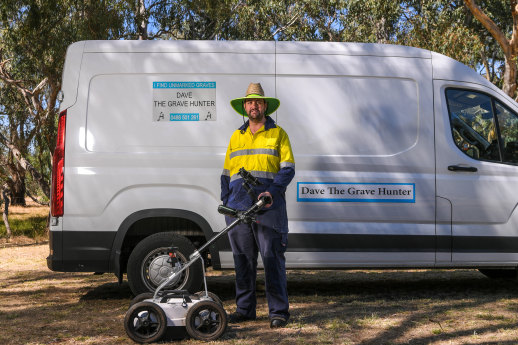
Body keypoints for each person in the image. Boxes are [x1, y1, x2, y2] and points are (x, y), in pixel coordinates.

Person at [220, 83, 295, 328]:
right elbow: (226, 172)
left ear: (265, 106)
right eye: (250, 102)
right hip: (238, 207)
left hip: (268, 206)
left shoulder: (279, 133)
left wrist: (271, 192)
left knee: (272, 258)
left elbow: (287, 170)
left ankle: (278, 313)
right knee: (242, 260)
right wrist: (226, 198)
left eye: (258, 102)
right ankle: (244, 310)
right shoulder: (236, 136)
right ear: (245, 107)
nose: (254, 105)